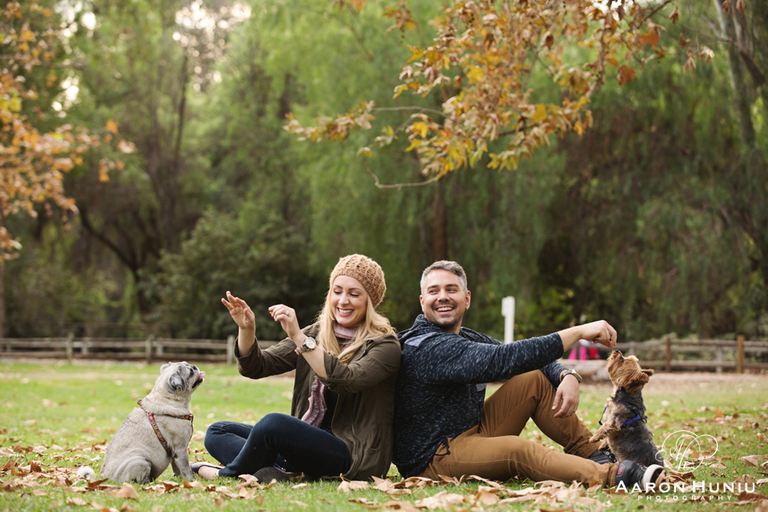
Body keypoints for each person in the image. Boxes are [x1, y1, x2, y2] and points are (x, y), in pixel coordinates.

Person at [393, 260, 664, 491]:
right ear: (423, 301)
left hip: (469, 432)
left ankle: (595, 453)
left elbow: (523, 359)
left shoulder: (464, 336)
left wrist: (566, 374)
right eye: (433, 291)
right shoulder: (426, 346)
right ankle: (616, 475)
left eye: (451, 289)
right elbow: (503, 360)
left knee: (532, 378)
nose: (442, 297)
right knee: (519, 450)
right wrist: (577, 332)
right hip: (435, 457)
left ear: (467, 298)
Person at [193, 254, 401, 482]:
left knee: (273, 424)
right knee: (218, 431)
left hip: (351, 455)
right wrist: (246, 329)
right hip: (304, 447)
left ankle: (226, 474)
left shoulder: (384, 345)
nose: (343, 301)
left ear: (370, 301)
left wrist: (299, 338)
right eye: (337, 291)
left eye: (354, 294)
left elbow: (346, 380)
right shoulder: (317, 334)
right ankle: (282, 473)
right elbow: (257, 367)